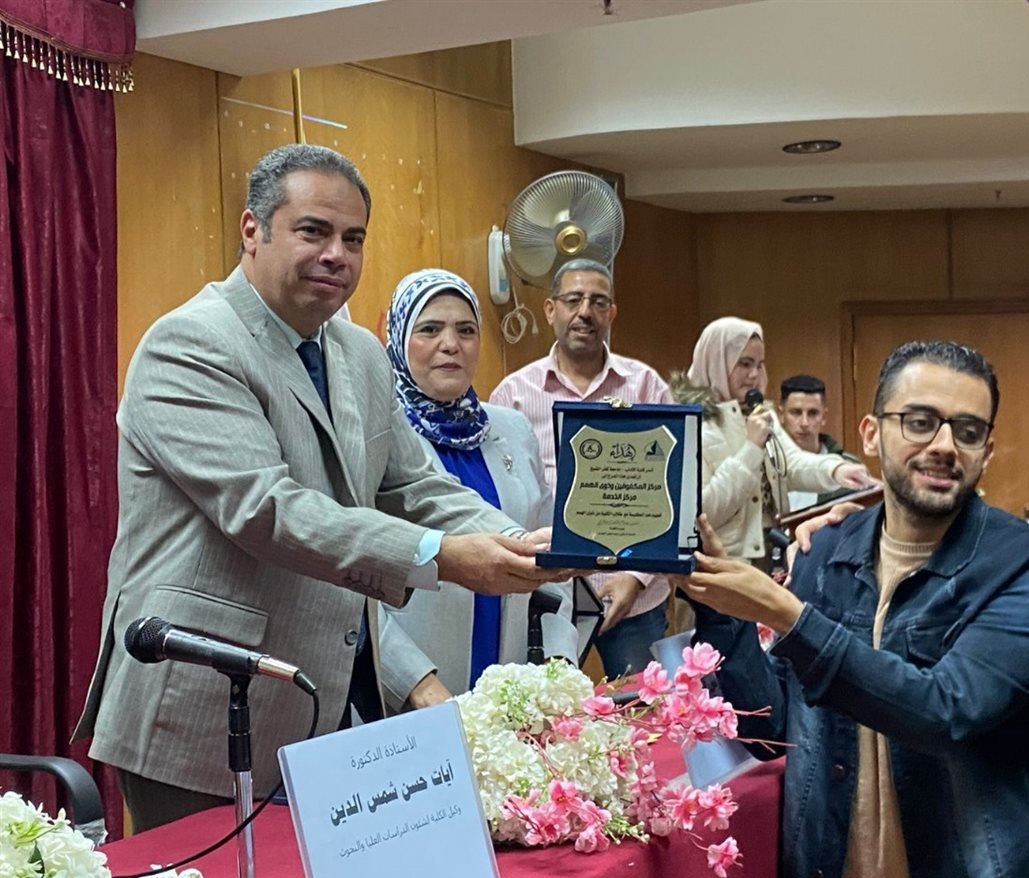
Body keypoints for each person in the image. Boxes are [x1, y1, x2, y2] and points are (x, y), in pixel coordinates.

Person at [73, 144, 567, 832]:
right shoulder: (189, 344)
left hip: (322, 711)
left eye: (353, 238)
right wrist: (443, 557)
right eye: (314, 231)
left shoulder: (358, 353)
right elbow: (268, 511)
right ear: (253, 230)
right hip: (204, 709)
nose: (336, 255)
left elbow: (413, 484)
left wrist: (524, 544)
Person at [679, 340, 1029, 878]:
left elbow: (944, 712)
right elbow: (772, 729)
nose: (944, 446)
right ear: (870, 434)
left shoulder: (1028, 566)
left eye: (967, 431)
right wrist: (722, 608)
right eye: (919, 422)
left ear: (986, 451)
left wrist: (784, 613)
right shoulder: (824, 552)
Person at [375, 268, 577, 712]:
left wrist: (559, 668)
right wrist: (413, 682)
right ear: (396, 339)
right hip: (408, 695)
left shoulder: (513, 429)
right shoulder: (375, 434)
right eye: (430, 329)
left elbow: (550, 553)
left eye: (466, 330)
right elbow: (353, 581)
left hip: (512, 685)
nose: (451, 344)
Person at [490, 259, 672, 677]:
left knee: (642, 710)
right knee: (546, 708)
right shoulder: (512, 395)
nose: (585, 312)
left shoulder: (645, 386)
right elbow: (497, 494)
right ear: (550, 310)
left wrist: (636, 577)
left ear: (612, 313)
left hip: (634, 597)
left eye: (598, 302)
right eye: (573, 300)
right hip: (544, 593)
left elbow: (673, 494)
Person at [670, 317, 871, 569]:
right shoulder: (689, 421)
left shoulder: (760, 414)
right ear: (717, 362)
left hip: (769, 555)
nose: (754, 375)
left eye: (759, 364)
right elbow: (700, 513)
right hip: (718, 565)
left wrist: (836, 469)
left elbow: (791, 465)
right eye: (745, 364)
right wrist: (751, 449)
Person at [779, 373, 864, 510]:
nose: (804, 423)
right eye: (796, 412)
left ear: (824, 417)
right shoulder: (769, 466)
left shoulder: (848, 466)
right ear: (781, 415)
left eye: (813, 413)